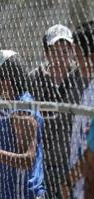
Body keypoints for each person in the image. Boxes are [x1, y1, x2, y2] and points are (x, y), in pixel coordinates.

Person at [0, 50, 45, 198]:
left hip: (20, 193)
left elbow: (27, 159)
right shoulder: (10, 106)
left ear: (6, 82)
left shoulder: (21, 110)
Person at [28, 24, 84, 198]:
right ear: (46, 54)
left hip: (75, 163)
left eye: (66, 49)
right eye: (55, 50)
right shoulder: (34, 79)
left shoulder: (81, 78)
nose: (62, 56)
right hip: (44, 164)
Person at [65, 20, 94, 199]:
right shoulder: (89, 87)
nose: (76, 61)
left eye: (78, 55)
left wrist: (69, 181)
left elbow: (91, 152)